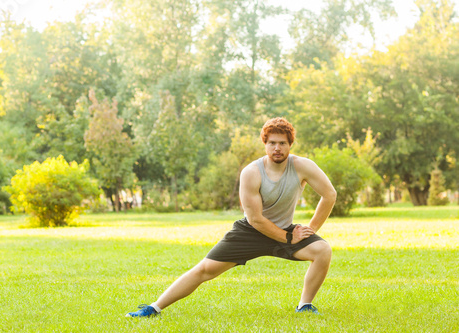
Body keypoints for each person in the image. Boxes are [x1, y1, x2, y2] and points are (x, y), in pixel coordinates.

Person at [127, 117, 337, 317]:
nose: (277, 148)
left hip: (285, 230)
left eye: (282, 143)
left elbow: (329, 195)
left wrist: (310, 230)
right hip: (251, 232)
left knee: (322, 250)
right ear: (265, 143)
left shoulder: (302, 166)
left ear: (290, 144)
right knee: (205, 270)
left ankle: (305, 305)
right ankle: (153, 308)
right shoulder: (251, 172)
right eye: (272, 142)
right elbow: (255, 219)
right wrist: (289, 238)